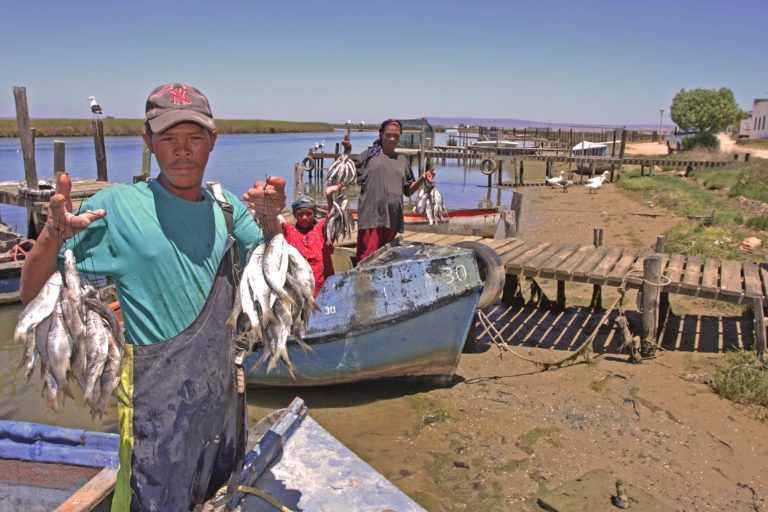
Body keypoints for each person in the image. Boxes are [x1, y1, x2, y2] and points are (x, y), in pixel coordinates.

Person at [19, 83, 286, 511]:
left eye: (195, 138)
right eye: (168, 138)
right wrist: (52, 234)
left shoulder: (228, 210)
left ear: (212, 142)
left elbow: (277, 275)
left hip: (222, 399)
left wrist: (273, 223)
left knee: (217, 492)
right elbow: (32, 295)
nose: (183, 150)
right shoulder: (117, 208)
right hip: (155, 406)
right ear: (148, 142)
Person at [342, 119, 434, 261]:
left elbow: (408, 191)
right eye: (388, 135)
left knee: (386, 259)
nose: (392, 138)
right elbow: (345, 171)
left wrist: (422, 179)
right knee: (367, 259)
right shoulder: (368, 156)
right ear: (380, 135)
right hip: (371, 218)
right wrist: (347, 151)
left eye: (396, 136)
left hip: (393, 219)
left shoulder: (402, 160)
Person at [281, 185, 340, 297]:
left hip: (323, 288)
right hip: (298, 289)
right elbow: (273, 225)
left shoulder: (320, 229)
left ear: (314, 214)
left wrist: (329, 197)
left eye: (308, 214)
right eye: (300, 214)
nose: (304, 217)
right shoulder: (289, 229)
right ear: (294, 214)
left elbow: (333, 219)